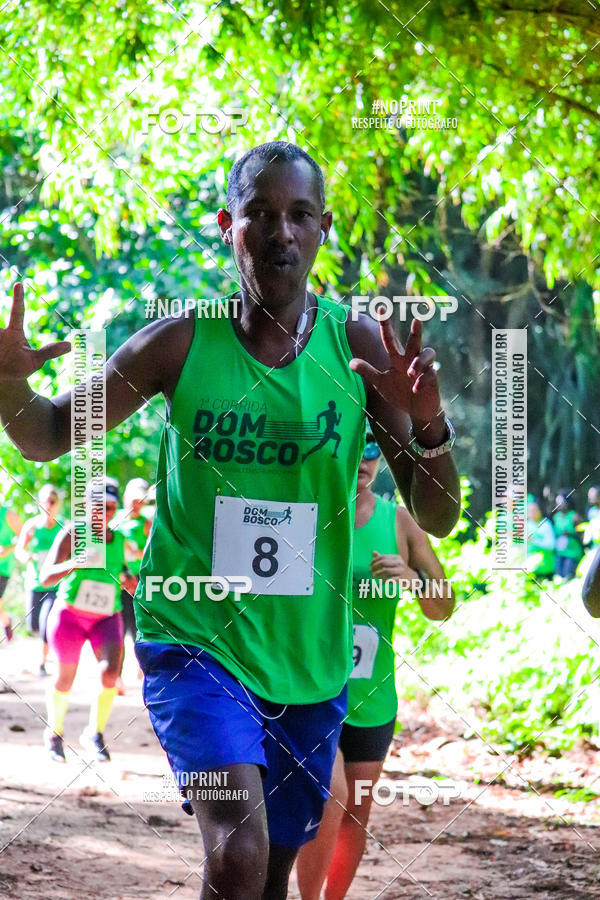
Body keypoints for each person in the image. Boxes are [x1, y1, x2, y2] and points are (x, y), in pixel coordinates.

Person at [0, 141, 460, 900]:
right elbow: (49, 432)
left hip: (309, 657)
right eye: (261, 213)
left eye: (300, 215)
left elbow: (436, 514)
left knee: (269, 871)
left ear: (323, 230)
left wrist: (431, 423)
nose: (282, 231)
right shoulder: (179, 343)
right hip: (196, 643)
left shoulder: (355, 348)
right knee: (239, 854)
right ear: (228, 225)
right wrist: (7, 381)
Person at [296, 432, 455, 900]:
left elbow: (443, 606)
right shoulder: (310, 511)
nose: (364, 459)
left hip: (373, 695)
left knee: (355, 814)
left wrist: (412, 578)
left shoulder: (400, 521)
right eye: (354, 446)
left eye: (372, 450)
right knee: (330, 798)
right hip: (311, 684)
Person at [39, 478, 126, 763]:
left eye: (111, 507)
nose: (106, 513)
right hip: (70, 617)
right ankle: (54, 733)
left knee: (110, 673)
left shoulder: (119, 538)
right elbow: (45, 576)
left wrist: (131, 581)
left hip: (106, 617)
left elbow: (123, 574)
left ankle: (94, 733)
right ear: (88, 506)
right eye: (100, 507)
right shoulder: (73, 532)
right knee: (66, 677)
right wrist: (73, 563)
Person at [15, 484, 62, 674]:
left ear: (57, 504)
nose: (48, 505)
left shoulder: (63, 527)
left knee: (45, 621)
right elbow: (19, 550)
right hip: (34, 583)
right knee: (33, 624)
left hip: (54, 584)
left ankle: (42, 663)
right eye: (45, 501)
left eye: (52, 502)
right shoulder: (32, 526)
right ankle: (46, 652)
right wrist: (25, 556)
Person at [111, 477, 149, 692]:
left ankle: (142, 669)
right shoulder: (115, 520)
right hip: (118, 582)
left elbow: (152, 553)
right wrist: (123, 576)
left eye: (141, 500)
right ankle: (116, 677)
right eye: (134, 499)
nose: (137, 504)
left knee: (138, 628)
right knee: (118, 630)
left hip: (141, 583)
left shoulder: (147, 523)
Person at [0, 485, 22, 642]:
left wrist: (7, 549)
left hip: (3, 566)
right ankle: (7, 622)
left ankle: (7, 623)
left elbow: (24, 537)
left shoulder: (9, 515)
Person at [553, 490, 583, 579]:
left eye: (561, 502)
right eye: (557, 502)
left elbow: (582, 534)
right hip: (560, 551)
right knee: (558, 576)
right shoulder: (556, 517)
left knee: (568, 576)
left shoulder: (574, 516)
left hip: (572, 552)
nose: (559, 505)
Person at [526, 495, 555, 579]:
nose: (532, 513)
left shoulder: (546, 524)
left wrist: (534, 540)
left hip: (546, 569)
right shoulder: (526, 525)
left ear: (539, 511)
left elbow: (551, 546)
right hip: (531, 570)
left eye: (534, 511)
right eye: (530, 511)